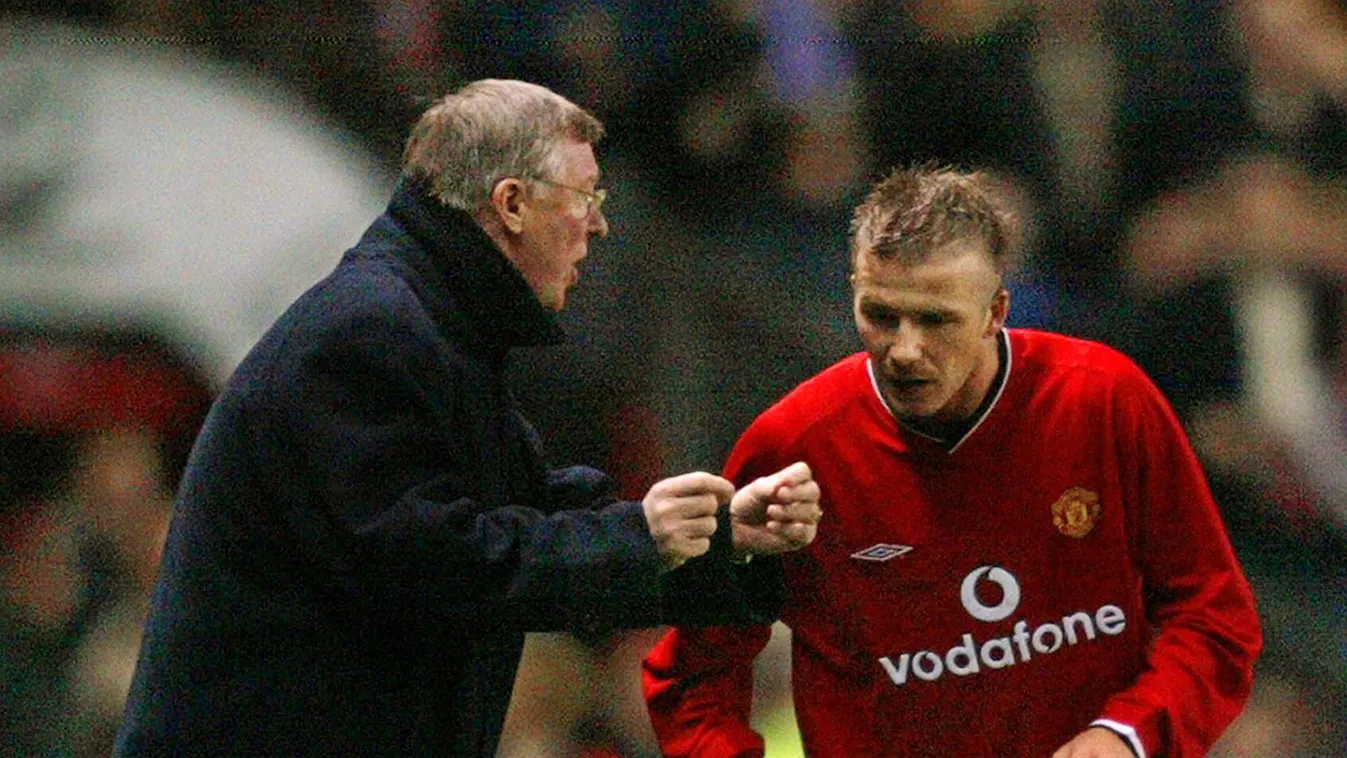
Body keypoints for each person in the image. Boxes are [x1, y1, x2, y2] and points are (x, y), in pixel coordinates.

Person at [112, 78, 822, 757]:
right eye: (585, 195)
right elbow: (444, 565)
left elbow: (528, 515)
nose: (599, 224)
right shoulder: (368, 333)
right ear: (510, 204)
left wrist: (727, 542)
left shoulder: (427, 328)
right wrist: (641, 536)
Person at [642, 165, 1263, 758]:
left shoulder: (1102, 402)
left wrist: (1130, 733)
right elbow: (693, 678)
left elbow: (1214, 618)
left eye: (936, 320)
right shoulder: (795, 448)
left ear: (996, 312)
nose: (905, 349)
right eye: (880, 316)